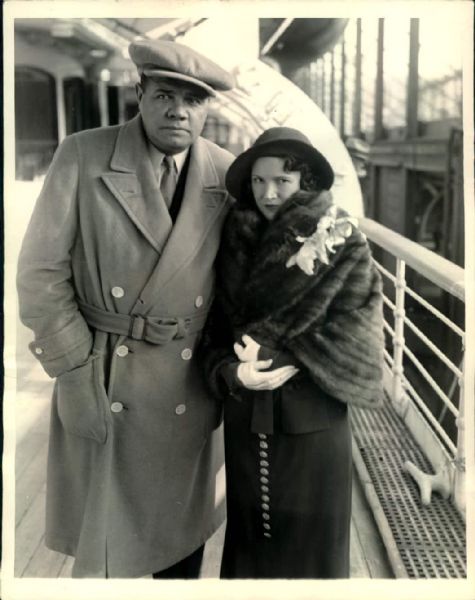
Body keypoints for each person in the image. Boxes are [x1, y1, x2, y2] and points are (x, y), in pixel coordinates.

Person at [16, 39, 237, 578]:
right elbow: (40, 274)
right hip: (104, 371)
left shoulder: (228, 174)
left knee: (179, 549)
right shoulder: (84, 154)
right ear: (138, 93)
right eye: (164, 94)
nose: (177, 111)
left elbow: (240, 285)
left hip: (187, 385)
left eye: (193, 99)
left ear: (209, 108)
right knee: (106, 554)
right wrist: (76, 367)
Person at [203, 127, 385, 578]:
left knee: (312, 551)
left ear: (304, 181)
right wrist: (229, 371)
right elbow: (211, 325)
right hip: (246, 415)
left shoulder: (341, 237)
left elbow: (359, 328)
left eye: (281, 181)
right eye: (259, 181)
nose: (267, 193)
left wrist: (290, 357)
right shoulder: (231, 237)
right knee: (250, 543)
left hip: (311, 414)